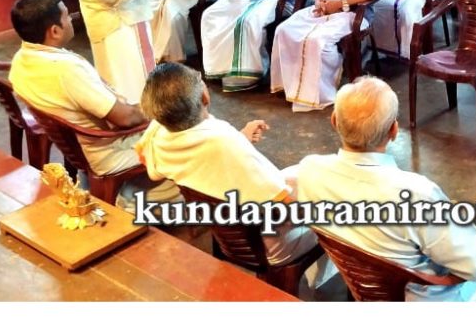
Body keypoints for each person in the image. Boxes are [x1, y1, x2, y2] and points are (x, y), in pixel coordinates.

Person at [297, 77, 476, 301]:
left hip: (363, 282)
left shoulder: (309, 170)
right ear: (393, 131)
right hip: (426, 298)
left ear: (334, 120)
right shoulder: (416, 195)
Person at [135, 62, 330, 285]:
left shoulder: (160, 134)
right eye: (200, 80)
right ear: (204, 98)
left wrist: (240, 139)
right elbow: (282, 205)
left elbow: (205, 160)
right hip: (266, 245)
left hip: (224, 229)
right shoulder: (224, 142)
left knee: (301, 174)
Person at [8, 0, 180, 210]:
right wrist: (164, 110)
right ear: (55, 31)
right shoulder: (66, 70)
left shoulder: (21, 60)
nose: (72, 19)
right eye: (67, 16)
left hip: (78, 148)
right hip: (107, 152)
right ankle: (151, 204)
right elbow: (126, 119)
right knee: (188, 128)